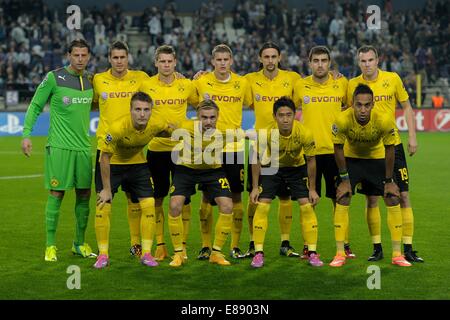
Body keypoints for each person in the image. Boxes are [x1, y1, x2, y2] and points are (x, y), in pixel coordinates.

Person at [21, 39, 96, 262]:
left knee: (84, 194)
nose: (80, 59)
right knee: (57, 193)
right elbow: (35, 105)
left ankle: (79, 243)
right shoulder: (54, 77)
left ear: (89, 56)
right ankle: (50, 246)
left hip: (83, 147)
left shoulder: (92, 81)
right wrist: (26, 134)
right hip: (60, 147)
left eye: (84, 55)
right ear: (68, 55)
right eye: (76, 55)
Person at [347, 45, 423, 263]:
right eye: (363, 61)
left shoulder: (392, 79)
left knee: (403, 195)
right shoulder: (353, 85)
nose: (367, 64)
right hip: (366, 149)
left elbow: (407, 107)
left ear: (378, 60)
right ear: (358, 62)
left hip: (392, 146)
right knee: (372, 199)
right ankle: (377, 247)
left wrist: (412, 136)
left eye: (371, 60)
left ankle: (407, 248)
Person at [330, 83, 411, 267]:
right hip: (352, 159)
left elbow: (390, 150)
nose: (363, 109)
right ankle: (340, 253)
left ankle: (397, 254)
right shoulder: (342, 120)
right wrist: (344, 179)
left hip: (377, 159)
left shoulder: (384, 120)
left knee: (392, 197)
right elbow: (338, 148)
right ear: (352, 104)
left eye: (367, 105)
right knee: (342, 197)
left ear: (373, 104)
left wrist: (389, 181)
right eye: (359, 105)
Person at [94, 92, 172, 269]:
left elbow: (168, 130)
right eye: (137, 109)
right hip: (112, 164)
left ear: (151, 111)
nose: (142, 114)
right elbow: (104, 157)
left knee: (149, 204)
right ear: (130, 110)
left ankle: (146, 253)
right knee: (102, 205)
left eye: (146, 110)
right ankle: (103, 255)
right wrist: (106, 189)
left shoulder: (156, 122)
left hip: (137, 164)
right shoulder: (117, 128)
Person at [293, 46, 356, 259]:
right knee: (307, 200)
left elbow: (352, 105)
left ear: (330, 63)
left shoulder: (342, 83)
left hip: (336, 151)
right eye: (316, 61)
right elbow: (284, 109)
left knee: (339, 199)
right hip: (309, 153)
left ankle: (344, 245)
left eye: (324, 60)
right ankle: (308, 246)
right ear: (309, 63)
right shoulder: (300, 86)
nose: (320, 64)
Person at [192, 44, 252, 260]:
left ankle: (234, 246)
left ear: (232, 60)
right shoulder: (201, 81)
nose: (223, 63)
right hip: (209, 148)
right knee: (207, 197)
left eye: (226, 59)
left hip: (234, 148)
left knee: (236, 196)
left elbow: (254, 102)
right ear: (212, 61)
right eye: (219, 59)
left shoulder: (242, 83)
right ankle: (206, 246)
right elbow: (184, 91)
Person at [139, 45, 198, 262]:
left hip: (181, 151)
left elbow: (202, 105)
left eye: (169, 61)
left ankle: (181, 247)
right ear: (156, 63)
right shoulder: (146, 85)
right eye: (161, 61)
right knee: (157, 198)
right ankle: (161, 245)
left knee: (184, 200)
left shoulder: (186, 85)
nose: (166, 65)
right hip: (156, 150)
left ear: (175, 62)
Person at [244, 42, 303, 259]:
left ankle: (285, 242)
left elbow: (303, 97)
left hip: (284, 146)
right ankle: (253, 242)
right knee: (255, 196)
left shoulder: (293, 78)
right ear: (260, 58)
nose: (270, 60)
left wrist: (334, 74)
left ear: (280, 57)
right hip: (259, 146)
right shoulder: (250, 80)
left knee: (286, 198)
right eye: (266, 56)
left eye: (273, 56)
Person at [249, 97, 323, 268]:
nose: (285, 119)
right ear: (275, 116)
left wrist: (312, 189)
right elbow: (256, 158)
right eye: (281, 115)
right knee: (262, 205)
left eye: (289, 115)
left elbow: (311, 160)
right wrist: (254, 187)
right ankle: (258, 253)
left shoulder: (304, 132)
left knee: (306, 205)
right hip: (272, 168)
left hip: (297, 169)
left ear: (294, 115)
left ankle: (312, 252)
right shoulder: (266, 133)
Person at [92, 40, 150, 258]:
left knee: (135, 201)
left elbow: (159, 87)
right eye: (115, 57)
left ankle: (136, 245)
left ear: (128, 58)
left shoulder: (141, 78)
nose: (119, 61)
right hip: (107, 151)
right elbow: (91, 103)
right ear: (109, 59)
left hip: (134, 151)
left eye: (122, 57)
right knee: (103, 202)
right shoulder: (98, 80)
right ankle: (103, 252)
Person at [167, 100, 234, 267]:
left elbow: (247, 134)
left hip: (213, 170)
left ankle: (216, 253)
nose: (208, 121)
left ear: (218, 117)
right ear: (198, 117)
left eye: (212, 117)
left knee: (227, 206)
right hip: (186, 168)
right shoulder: (186, 127)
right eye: (204, 117)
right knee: (175, 205)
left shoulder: (226, 129)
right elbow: (168, 128)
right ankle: (178, 254)